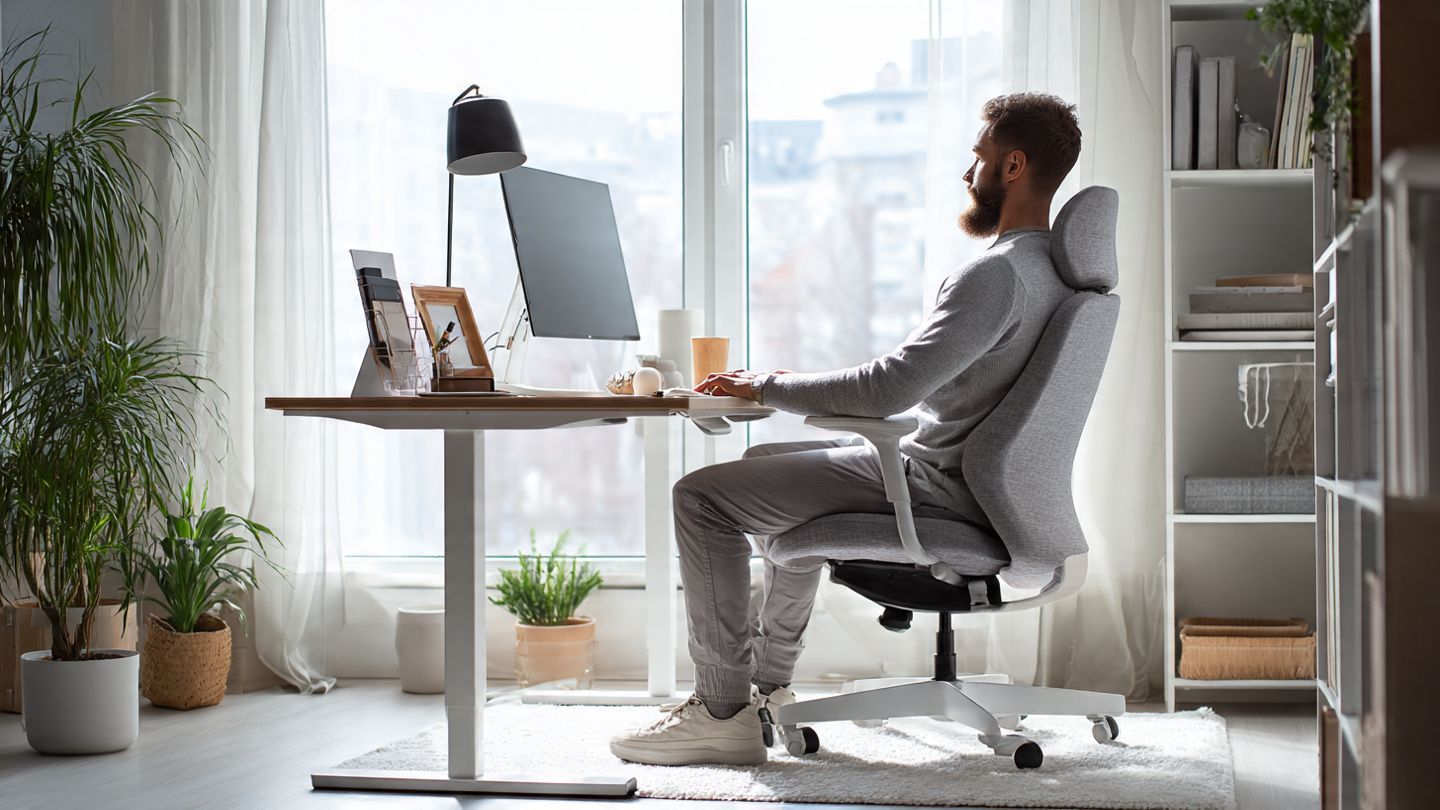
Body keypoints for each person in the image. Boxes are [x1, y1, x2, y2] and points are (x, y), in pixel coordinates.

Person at [610, 92, 1084, 766]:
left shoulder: (999, 275)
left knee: (703, 496)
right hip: (974, 490)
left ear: (1012, 166)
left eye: (976, 159)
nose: (966, 173)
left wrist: (764, 386)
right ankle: (768, 690)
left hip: (936, 491)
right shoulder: (1055, 276)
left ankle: (721, 710)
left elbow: (888, 388)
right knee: (771, 457)